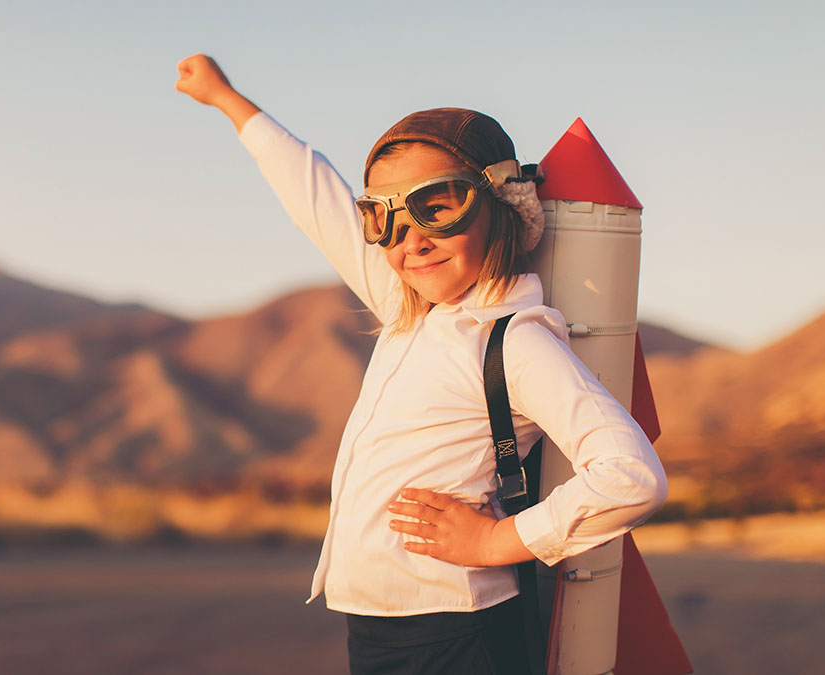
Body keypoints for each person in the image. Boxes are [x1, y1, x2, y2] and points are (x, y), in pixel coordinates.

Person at [174, 54, 668, 675]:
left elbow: (632, 476)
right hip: (377, 628)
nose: (412, 239)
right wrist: (227, 100)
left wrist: (497, 542)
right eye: (384, 217)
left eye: (438, 204)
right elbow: (314, 196)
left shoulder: (513, 341)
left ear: (503, 205)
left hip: (455, 633)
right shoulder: (411, 312)